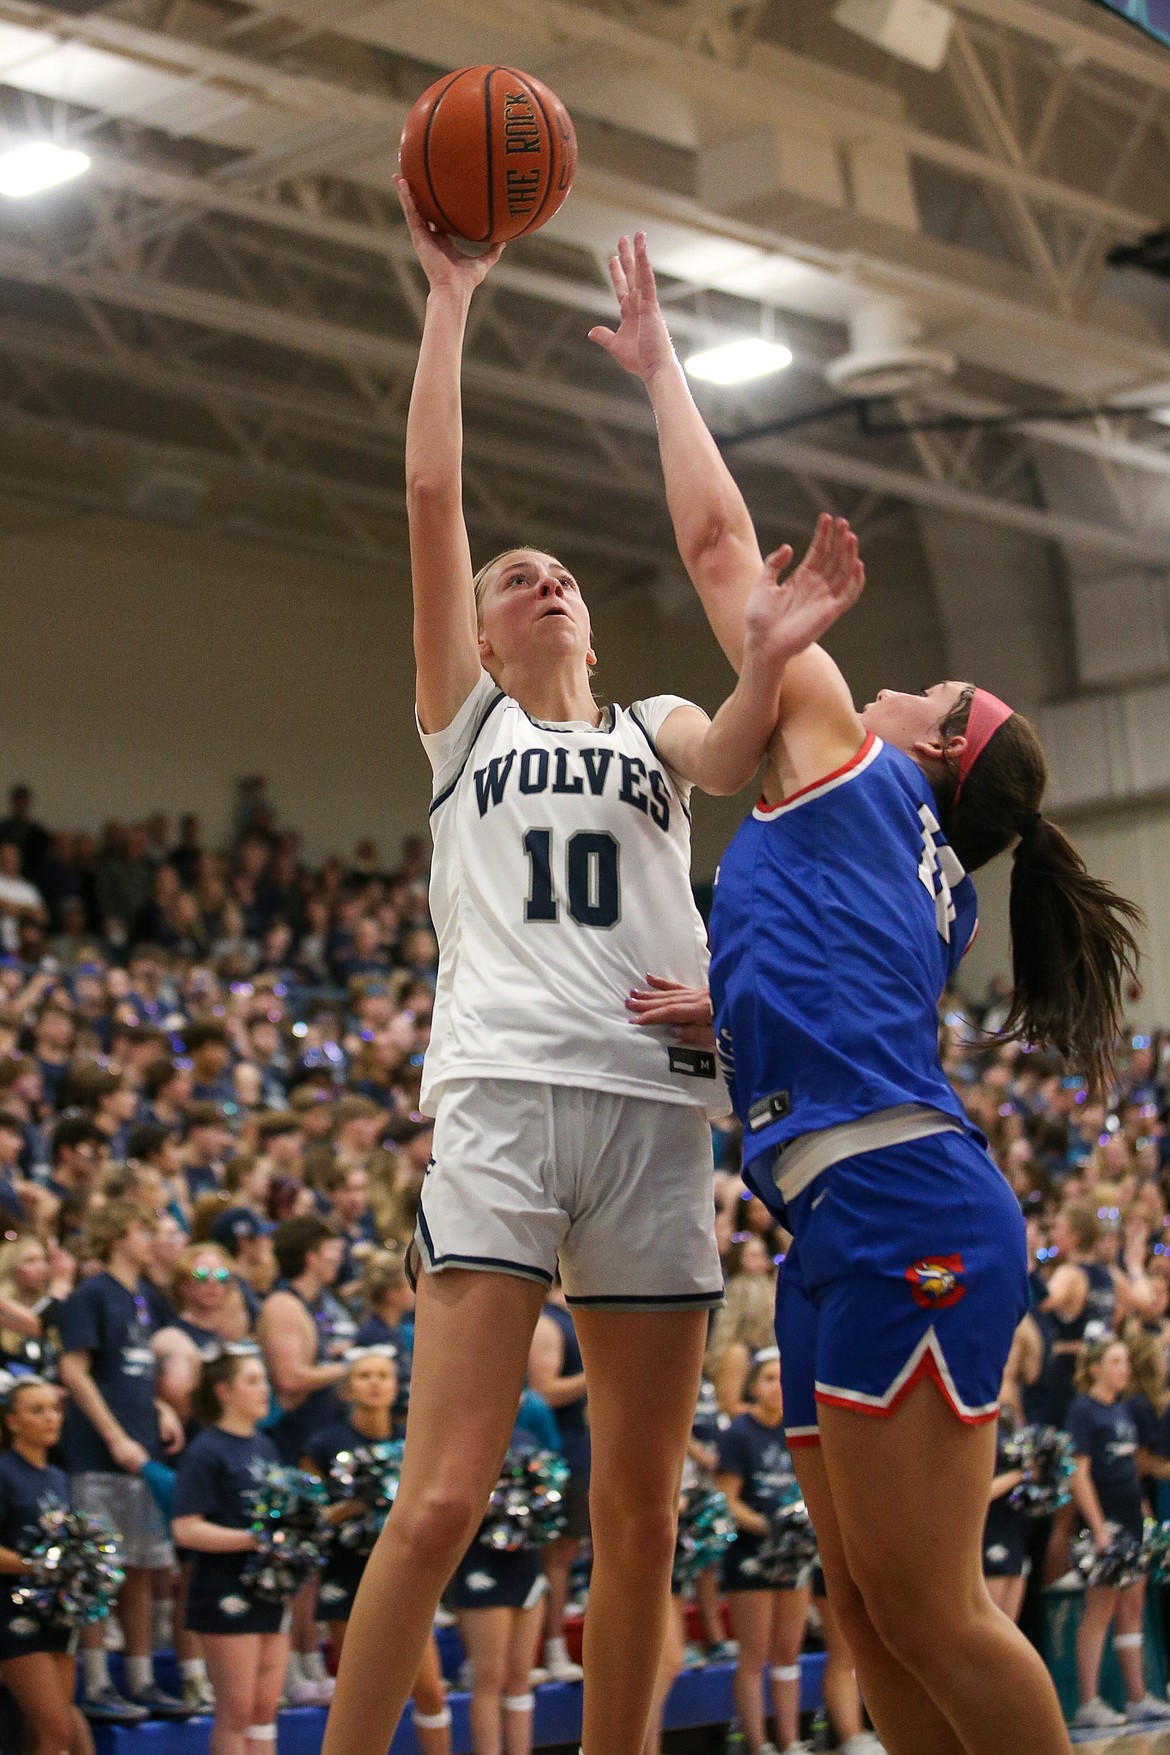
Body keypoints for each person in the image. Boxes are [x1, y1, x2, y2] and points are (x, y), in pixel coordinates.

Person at [607, 234, 1141, 1755]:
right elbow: (840, 992)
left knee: (931, 1605)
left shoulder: (837, 740)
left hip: (900, 1203)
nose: (909, 678)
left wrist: (662, 372)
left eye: (942, 693)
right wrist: (734, 1014)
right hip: (854, 1206)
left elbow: (720, 549)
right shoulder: (931, 877)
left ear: (933, 747)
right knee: (868, 1603)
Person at [323, 179, 804, 1755]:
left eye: (561, 572)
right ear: (474, 627)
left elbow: (740, 746)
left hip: (658, 1112)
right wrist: (453, 300)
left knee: (643, 1506)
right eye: (513, 574)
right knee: (444, 1490)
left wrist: (778, 645)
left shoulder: (653, 725)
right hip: (508, 1099)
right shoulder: (466, 725)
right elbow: (428, 498)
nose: (543, 576)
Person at [57, 1200, 189, 1724]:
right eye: (143, 1229)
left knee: (141, 1569)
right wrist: (113, 1435)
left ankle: (140, 1678)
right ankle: (97, 1681)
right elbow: (74, 1370)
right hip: (99, 1454)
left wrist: (158, 1407)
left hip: (140, 1450)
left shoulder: (143, 1297)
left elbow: (131, 1369)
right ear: (115, 1236)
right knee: (100, 1570)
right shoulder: (91, 1294)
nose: (154, 1238)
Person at [302, 1348, 451, 1755]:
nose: (374, 1383)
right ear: (347, 1389)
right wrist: (350, 1508)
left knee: (431, 1692)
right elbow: (303, 1520)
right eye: (364, 1375)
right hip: (347, 1579)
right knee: (359, 1701)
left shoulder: (414, 1441)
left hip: (406, 1581)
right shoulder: (324, 1444)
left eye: (383, 1375)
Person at [170, 1348, 289, 1755]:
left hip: (269, 1587)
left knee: (264, 1708)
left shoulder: (266, 1446)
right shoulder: (206, 1450)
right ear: (223, 1391)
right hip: (223, 1588)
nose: (264, 1390)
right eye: (252, 1381)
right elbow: (186, 1529)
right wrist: (254, 1540)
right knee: (236, 1711)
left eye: (264, 1380)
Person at [1067, 1336, 1170, 1732]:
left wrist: (1146, 1524)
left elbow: (1130, 1473)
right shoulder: (1083, 1410)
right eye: (1114, 1361)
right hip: (1104, 1526)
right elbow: (1079, 1473)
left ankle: (1137, 1696)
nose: (1123, 1368)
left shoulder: (1123, 1411)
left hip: (1131, 1523)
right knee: (1100, 1609)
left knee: (1132, 1608)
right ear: (1094, 1367)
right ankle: (1088, 1702)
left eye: (1125, 1361)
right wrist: (1098, 1529)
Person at [451, 1393, 561, 1755]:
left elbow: (549, 1502)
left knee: (519, 1679)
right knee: (489, 1677)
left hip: (525, 1565)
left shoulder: (527, 1441)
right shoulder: (458, 1439)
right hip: (479, 1565)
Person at [716, 1349, 810, 1755]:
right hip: (752, 1554)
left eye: (784, 1378)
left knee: (788, 1651)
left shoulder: (799, 1429)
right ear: (754, 1386)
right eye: (769, 1378)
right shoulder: (740, 1432)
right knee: (754, 1654)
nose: (778, 1386)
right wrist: (763, 1524)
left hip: (795, 1555)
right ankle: (758, 1744)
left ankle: (789, 1741)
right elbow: (726, 1498)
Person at [0, 1376, 95, 1755]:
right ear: (12, 1422)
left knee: (51, 1734)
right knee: (55, 1729)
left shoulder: (58, 1478)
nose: (50, 1417)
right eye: (36, 1410)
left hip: (57, 1614)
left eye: (54, 1409)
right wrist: (36, 1566)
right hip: (13, 1612)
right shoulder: (4, 1472)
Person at [526, 1288, 587, 1685]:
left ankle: (554, 1647)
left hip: (581, 1445)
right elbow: (543, 1390)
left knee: (567, 1552)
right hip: (554, 1450)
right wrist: (600, 1370)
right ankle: (547, 1648)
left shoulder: (576, 1310)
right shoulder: (547, 1321)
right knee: (550, 1555)